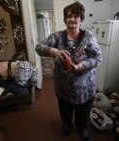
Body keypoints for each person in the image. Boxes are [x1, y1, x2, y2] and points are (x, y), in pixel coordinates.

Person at [35, 2, 102, 140]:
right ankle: (67, 124)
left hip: (85, 86)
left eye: (76, 16)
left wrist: (81, 66)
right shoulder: (57, 36)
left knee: (83, 110)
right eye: (69, 16)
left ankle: (83, 127)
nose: (72, 19)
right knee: (65, 108)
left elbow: (98, 58)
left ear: (81, 19)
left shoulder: (88, 36)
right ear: (65, 19)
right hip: (63, 85)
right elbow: (38, 47)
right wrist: (54, 51)